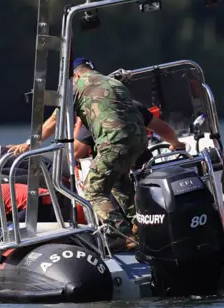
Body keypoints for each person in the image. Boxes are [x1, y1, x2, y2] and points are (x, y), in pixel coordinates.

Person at [41, 58, 147, 252]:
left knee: (92, 189)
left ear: (76, 75)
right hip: (139, 141)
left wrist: (29, 143)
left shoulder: (77, 85)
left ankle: (122, 234)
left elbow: (53, 121)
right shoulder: (113, 82)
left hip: (114, 142)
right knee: (118, 183)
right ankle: (142, 229)